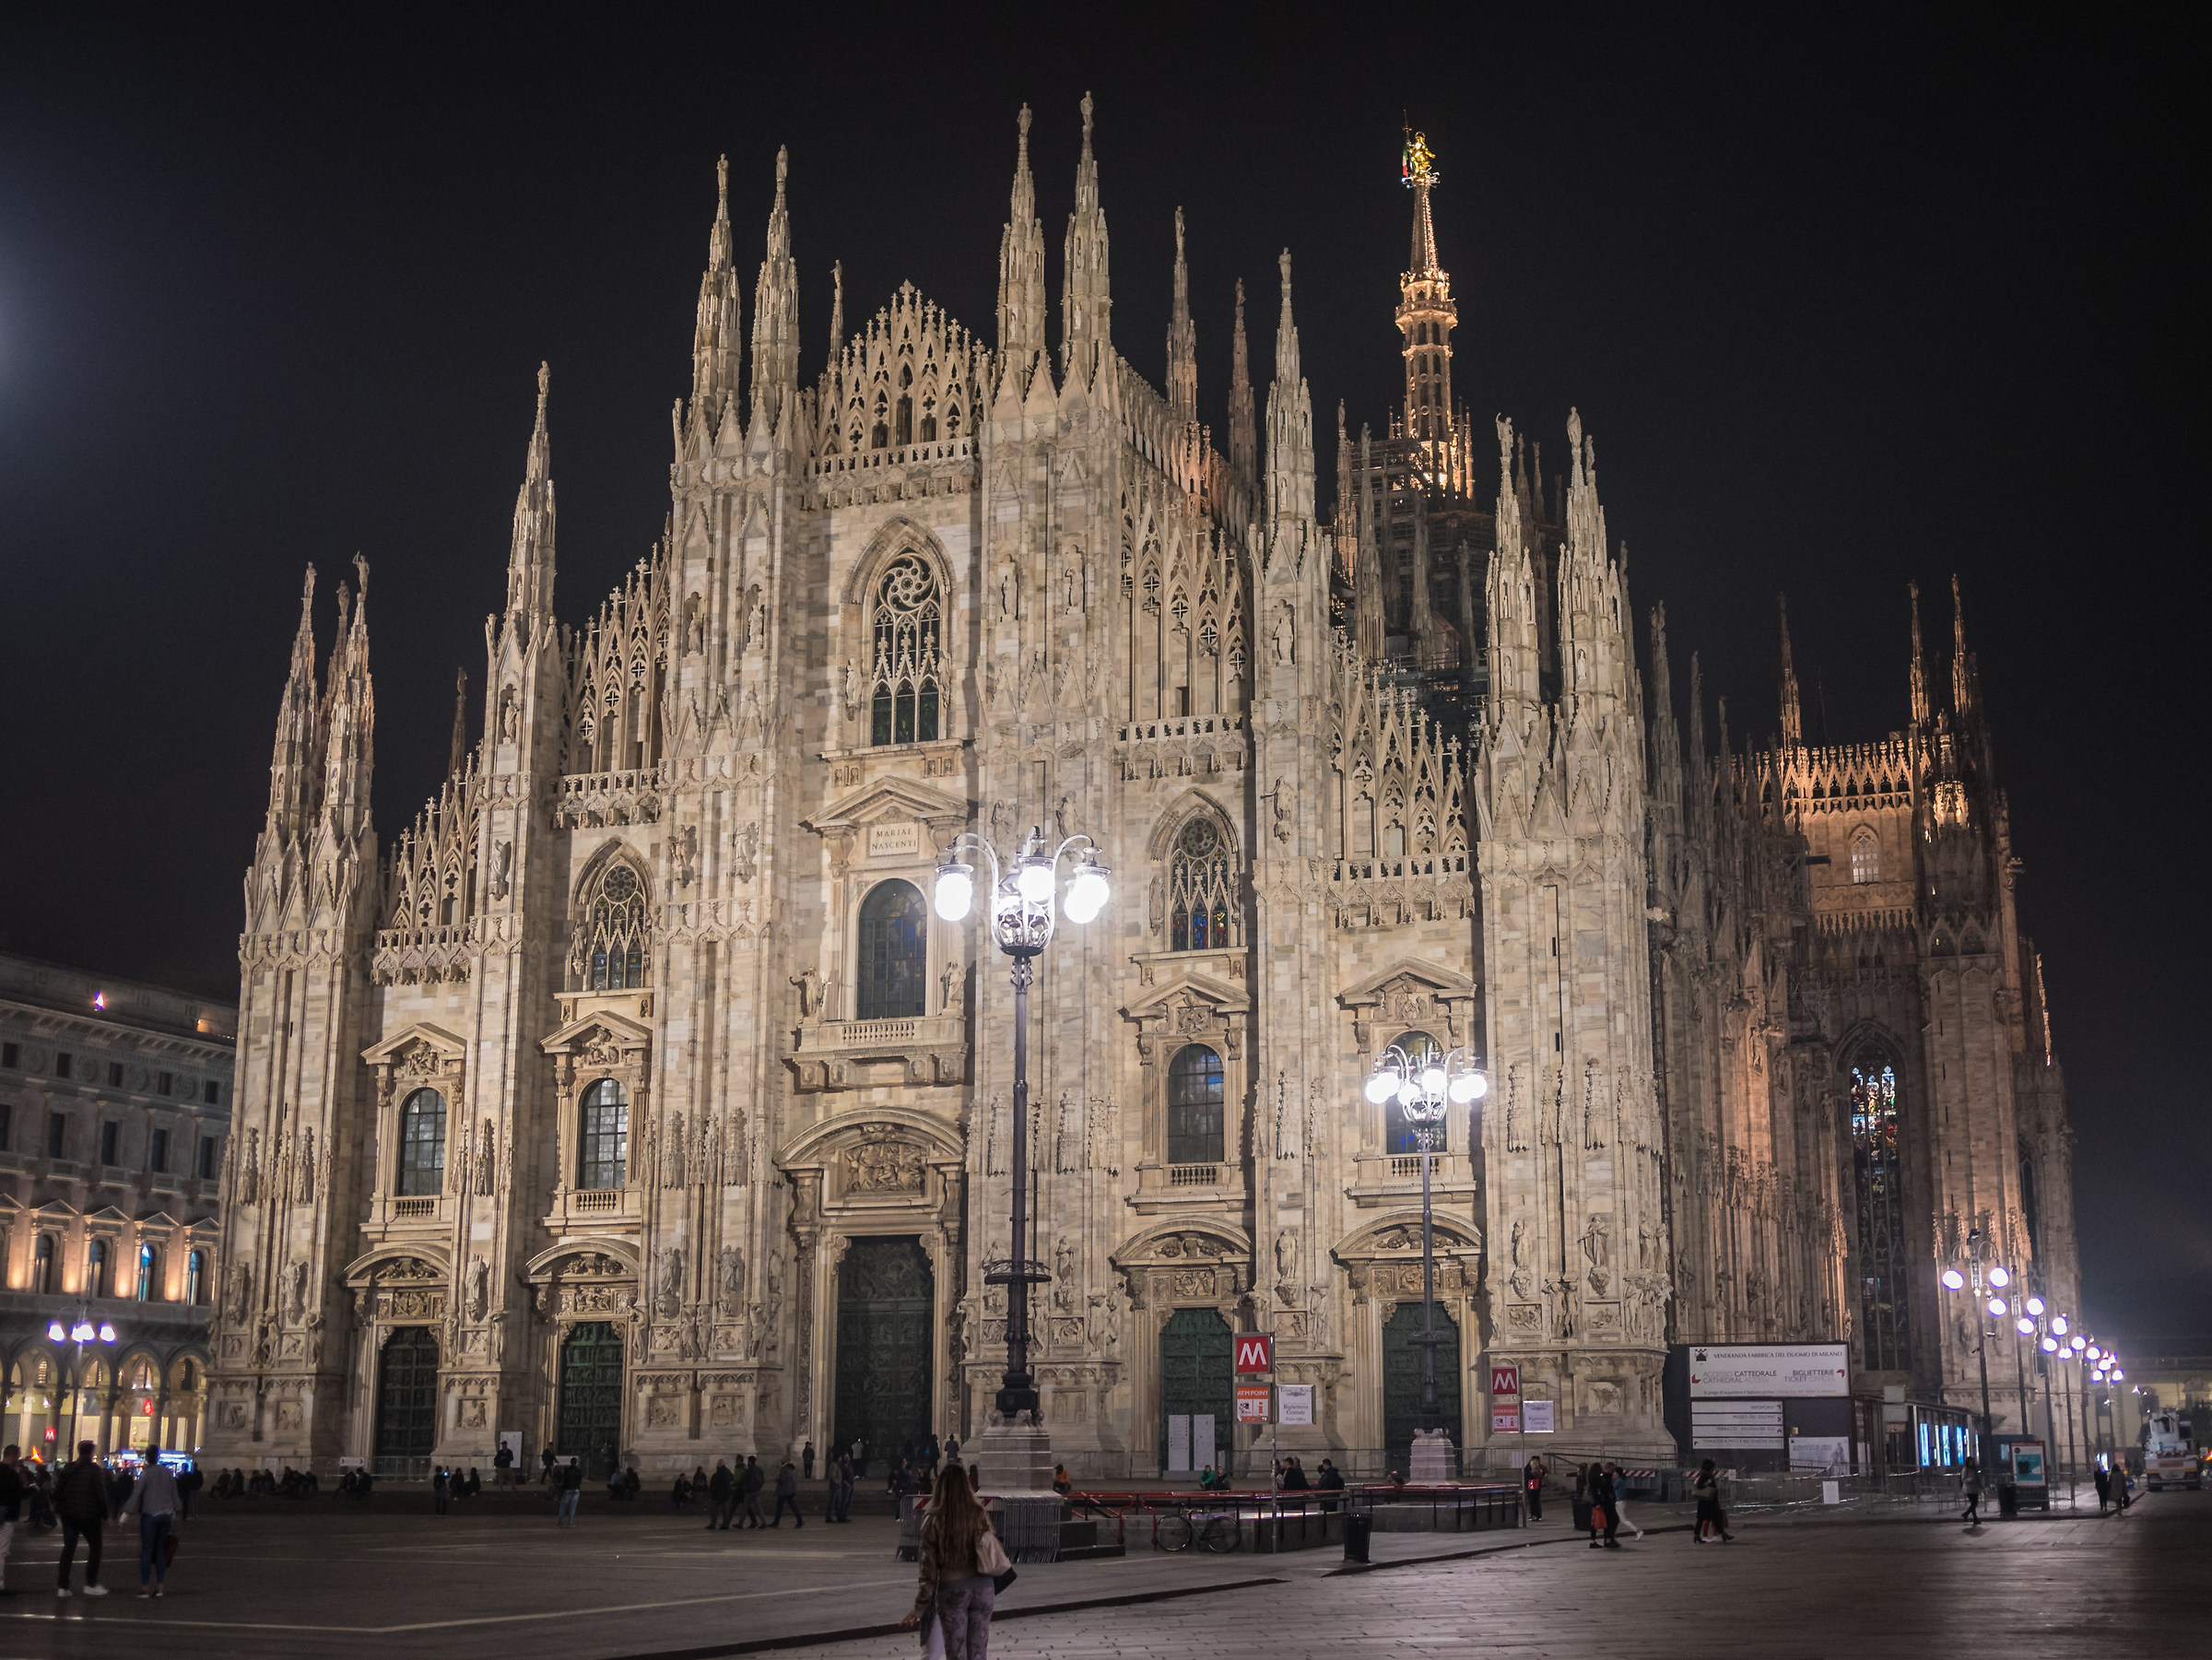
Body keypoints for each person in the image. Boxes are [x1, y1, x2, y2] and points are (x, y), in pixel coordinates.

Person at [900, 1462, 1002, 1660]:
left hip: (954, 1588)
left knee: (956, 1653)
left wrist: (919, 1608)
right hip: (984, 1588)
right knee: (978, 1652)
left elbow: (928, 1571)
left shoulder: (934, 1519)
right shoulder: (978, 1513)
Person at [53, 1442, 111, 1598]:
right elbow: (100, 1494)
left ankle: (63, 1587)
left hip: (69, 1514)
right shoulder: (94, 1470)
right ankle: (90, 1584)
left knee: (68, 1548)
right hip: (89, 1515)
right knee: (96, 1547)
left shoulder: (68, 1468)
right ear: (91, 1453)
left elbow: (58, 1491)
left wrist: (59, 1505)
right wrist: (105, 1515)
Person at [118, 1455, 180, 1598]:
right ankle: (160, 1587)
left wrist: (124, 1518)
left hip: (151, 1515)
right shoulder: (167, 1473)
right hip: (166, 1515)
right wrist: (173, 1516)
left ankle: (145, 1588)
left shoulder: (146, 1474)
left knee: (146, 1551)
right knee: (160, 1551)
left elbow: (136, 1495)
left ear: (147, 1458)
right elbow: (174, 1495)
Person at [0, 1442, 27, 1595]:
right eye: (18, 1455)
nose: (19, 1458)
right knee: (2, 1550)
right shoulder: (10, 1473)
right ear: (12, 1455)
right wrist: (33, 1489)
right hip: (7, 1514)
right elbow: (18, 1493)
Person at [1691, 1458, 1729, 1543]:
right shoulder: (1705, 1475)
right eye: (1712, 1467)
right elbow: (1699, 1486)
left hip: (1706, 1501)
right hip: (1707, 1501)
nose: (1713, 1469)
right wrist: (1708, 1482)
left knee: (1704, 1519)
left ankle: (1697, 1536)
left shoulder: (1706, 1474)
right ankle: (1723, 1534)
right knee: (1714, 1518)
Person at [1606, 1462, 1642, 1540]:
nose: (1613, 1474)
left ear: (1617, 1473)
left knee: (1623, 1520)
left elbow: (1611, 1488)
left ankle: (1638, 1531)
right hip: (1620, 1502)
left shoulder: (1618, 1481)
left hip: (1619, 1502)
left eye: (1614, 1472)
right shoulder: (1620, 1480)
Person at [1587, 1462, 1618, 1548]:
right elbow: (1596, 1492)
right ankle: (1602, 1541)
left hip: (1598, 1503)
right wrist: (1598, 1503)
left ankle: (1596, 1541)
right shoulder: (1596, 1479)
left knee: (1597, 1523)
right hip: (1599, 1504)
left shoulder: (1594, 1478)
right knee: (1602, 1522)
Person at [772, 1456, 804, 1527]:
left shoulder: (784, 1469)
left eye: (783, 1459)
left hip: (784, 1491)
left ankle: (776, 1522)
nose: (781, 1459)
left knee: (780, 1507)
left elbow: (782, 1480)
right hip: (790, 1490)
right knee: (792, 1506)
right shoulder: (791, 1469)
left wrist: (777, 1480)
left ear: (786, 1460)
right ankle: (799, 1520)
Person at [739, 1455, 767, 1527]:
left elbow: (744, 1479)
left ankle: (740, 1523)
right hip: (757, 1491)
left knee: (744, 1508)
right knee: (759, 1508)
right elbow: (763, 1480)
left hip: (749, 1492)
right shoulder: (759, 1469)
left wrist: (745, 1487)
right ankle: (763, 1522)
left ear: (750, 1462)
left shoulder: (749, 1470)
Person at [708, 1459, 735, 1529]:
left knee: (715, 1510)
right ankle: (725, 1524)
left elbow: (715, 1483)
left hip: (718, 1494)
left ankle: (713, 1524)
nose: (717, 1465)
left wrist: (713, 1491)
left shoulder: (718, 1473)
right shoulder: (728, 1472)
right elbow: (732, 1480)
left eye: (718, 1463)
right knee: (725, 1510)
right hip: (725, 1494)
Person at [558, 1458, 583, 1526]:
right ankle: (571, 1521)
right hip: (576, 1489)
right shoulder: (579, 1471)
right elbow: (579, 1481)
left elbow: (564, 1481)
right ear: (576, 1463)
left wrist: (561, 1491)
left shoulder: (566, 1470)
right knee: (573, 1507)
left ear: (571, 1462)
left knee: (563, 1506)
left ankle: (560, 1521)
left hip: (567, 1489)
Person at [1961, 1457, 1984, 1525]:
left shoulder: (1974, 1469)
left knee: (1974, 1504)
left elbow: (1978, 1479)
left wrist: (1981, 1487)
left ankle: (1974, 1518)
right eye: (1970, 1462)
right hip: (1969, 1489)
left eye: (1972, 1461)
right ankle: (1967, 1514)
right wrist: (1971, 1479)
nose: (1971, 1463)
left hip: (1975, 1488)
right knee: (1974, 1503)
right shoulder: (1966, 1469)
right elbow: (1963, 1479)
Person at [1524, 1455, 1547, 1523]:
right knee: (1536, 1501)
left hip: (1532, 1485)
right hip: (1537, 1486)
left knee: (1533, 1501)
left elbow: (1529, 1477)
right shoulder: (1538, 1470)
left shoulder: (1533, 1472)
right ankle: (1537, 1515)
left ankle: (1534, 1515)